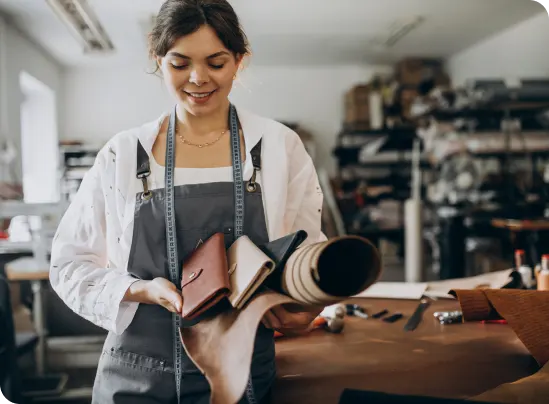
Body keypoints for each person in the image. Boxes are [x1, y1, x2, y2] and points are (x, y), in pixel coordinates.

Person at [49, 0, 326, 403]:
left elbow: (307, 253)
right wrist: (141, 290)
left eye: (216, 63)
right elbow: (69, 264)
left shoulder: (279, 146)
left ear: (239, 61)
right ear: (158, 59)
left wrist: (303, 303)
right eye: (180, 64)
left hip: (245, 376)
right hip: (138, 379)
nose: (198, 78)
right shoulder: (123, 154)